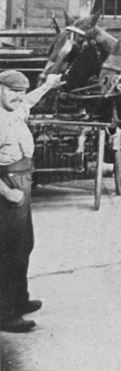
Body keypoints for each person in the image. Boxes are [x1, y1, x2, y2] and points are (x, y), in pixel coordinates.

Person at [0, 70, 62, 333]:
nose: (18, 97)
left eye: (21, 91)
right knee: (8, 252)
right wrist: (7, 192)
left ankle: (19, 299)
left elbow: (30, 101)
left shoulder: (15, 111)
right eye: (13, 90)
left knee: (24, 245)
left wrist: (47, 85)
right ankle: (5, 314)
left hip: (23, 183)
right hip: (8, 188)